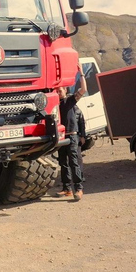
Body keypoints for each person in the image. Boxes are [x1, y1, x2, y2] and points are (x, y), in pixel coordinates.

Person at [56, 65, 87, 201]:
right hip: (61, 137)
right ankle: (67, 189)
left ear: (65, 90)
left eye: (60, 90)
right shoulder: (55, 103)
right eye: (56, 91)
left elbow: (83, 89)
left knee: (73, 162)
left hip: (72, 135)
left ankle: (79, 189)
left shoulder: (70, 100)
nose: (58, 93)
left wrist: (81, 74)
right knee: (63, 163)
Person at [75, 106, 86, 171]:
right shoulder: (63, 109)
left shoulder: (78, 111)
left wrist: (82, 136)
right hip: (67, 136)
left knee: (78, 156)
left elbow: (82, 124)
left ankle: (80, 174)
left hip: (77, 136)